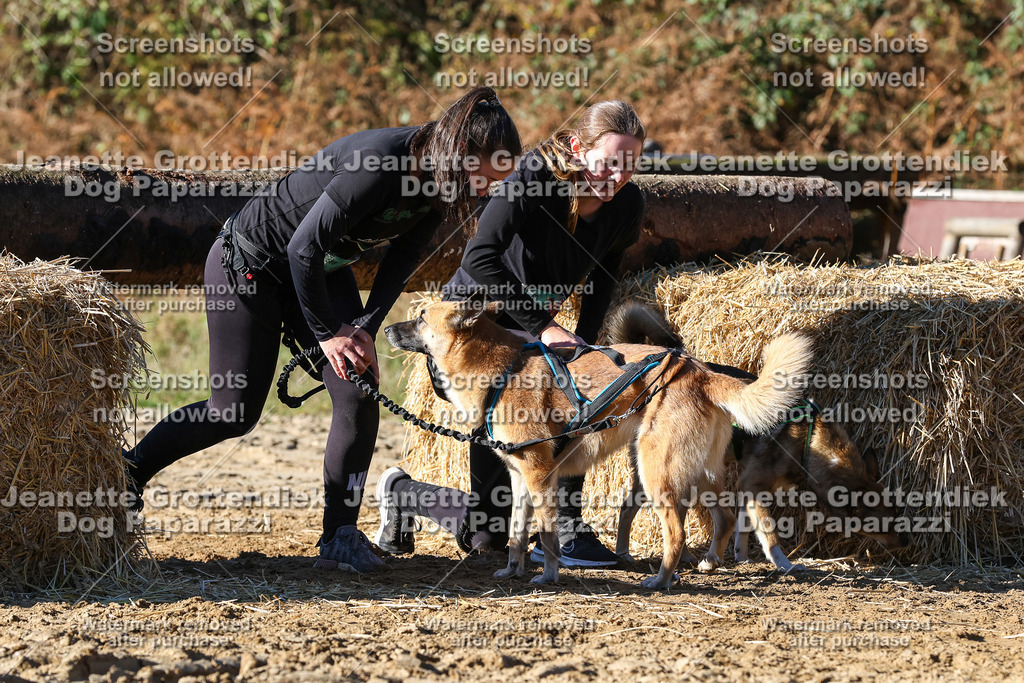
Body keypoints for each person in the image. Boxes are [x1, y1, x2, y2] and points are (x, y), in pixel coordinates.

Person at [122, 86, 521, 572]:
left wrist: (366, 328)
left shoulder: (441, 182)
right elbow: (300, 248)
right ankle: (126, 473)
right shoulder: (381, 163)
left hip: (321, 268)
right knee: (234, 412)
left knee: (359, 390)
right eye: (487, 176)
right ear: (461, 155)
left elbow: (403, 257)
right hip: (252, 263)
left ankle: (339, 537)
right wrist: (330, 332)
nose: (490, 189)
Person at [376, 100, 647, 568]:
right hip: (468, 336)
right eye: (610, 162)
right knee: (489, 532)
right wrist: (544, 326)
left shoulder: (628, 203)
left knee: (578, 405)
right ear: (579, 149)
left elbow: (604, 274)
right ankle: (404, 493)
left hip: (531, 340)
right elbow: (481, 259)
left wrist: (584, 348)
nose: (619, 176)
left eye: (631, 164)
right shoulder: (535, 177)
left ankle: (565, 530)